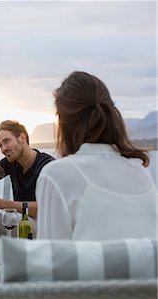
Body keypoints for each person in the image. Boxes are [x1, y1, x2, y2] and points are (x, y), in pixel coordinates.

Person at [36, 71, 157, 240]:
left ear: (63, 123)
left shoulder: (57, 175)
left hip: (91, 267)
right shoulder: (141, 172)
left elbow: (52, 259)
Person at [0, 120, 54, 241]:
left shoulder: (47, 165)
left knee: (8, 222)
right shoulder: (12, 163)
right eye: (0, 145)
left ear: (22, 137)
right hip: (20, 220)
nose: (3, 149)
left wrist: (2, 204)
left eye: (6, 141)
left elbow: (46, 208)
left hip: (44, 226)